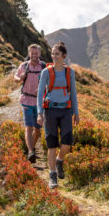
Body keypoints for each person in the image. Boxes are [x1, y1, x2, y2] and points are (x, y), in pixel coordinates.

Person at [37, 42, 79, 189]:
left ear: (64, 56)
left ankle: (60, 160)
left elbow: (73, 93)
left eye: (57, 54)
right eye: (52, 54)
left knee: (67, 143)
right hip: (50, 111)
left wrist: (76, 113)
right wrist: (39, 113)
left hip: (66, 111)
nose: (54, 56)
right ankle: (52, 176)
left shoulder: (70, 72)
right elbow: (40, 93)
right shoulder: (46, 72)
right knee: (52, 145)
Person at [14, 44, 46, 163]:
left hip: (39, 102)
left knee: (37, 130)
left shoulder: (43, 67)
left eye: (36, 53)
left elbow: (49, 81)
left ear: (39, 54)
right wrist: (20, 78)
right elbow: (15, 77)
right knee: (28, 128)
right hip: (26, 100)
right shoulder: (23, 66)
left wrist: (44, 88)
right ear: (29, 54)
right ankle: (31, 152)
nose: (34, 55)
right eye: (32, 53)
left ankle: (30, 149)